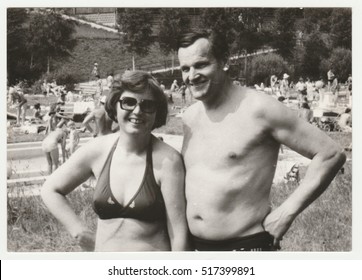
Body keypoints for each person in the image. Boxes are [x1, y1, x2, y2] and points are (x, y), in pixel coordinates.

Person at [177, 29, 346, 251]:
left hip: (246, 247)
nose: (191, 76)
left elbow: (331, 154)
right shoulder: (190, 116)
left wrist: (287, 212)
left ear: (224, 61)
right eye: (185, 69)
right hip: (196, 248)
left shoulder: (259, 107)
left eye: (200, 65)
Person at [41, 70, 189, 252]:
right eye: (128, 102)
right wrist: (80, 232)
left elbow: (179, 235)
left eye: (147, 105)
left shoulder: (168, 161)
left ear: (157, 112)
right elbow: (50, 189)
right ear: (115, 105)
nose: (137, 111)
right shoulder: (98, 151)